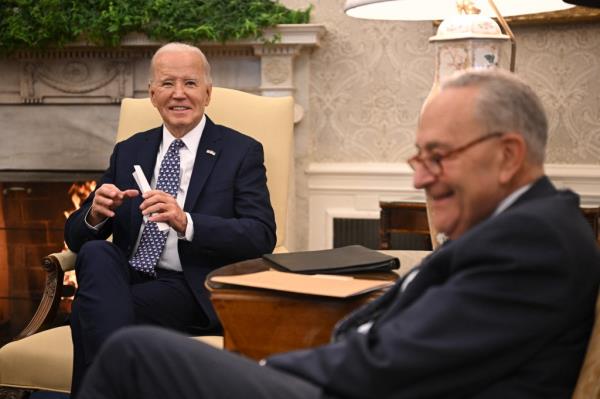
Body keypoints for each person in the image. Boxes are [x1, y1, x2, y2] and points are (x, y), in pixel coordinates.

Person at [78, 69, 600, 399]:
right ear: (151, 93)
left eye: (436, 157)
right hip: (334, 369)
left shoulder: (534, 242)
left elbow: (394, 364)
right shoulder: (517, 227)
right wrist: (97, 216)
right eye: (418, 158)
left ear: (508, 155)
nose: (419, 178)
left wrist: (263, 366)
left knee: (136, 355)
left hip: (332, 381)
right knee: (103, 275)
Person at [65, 42, 276, 396]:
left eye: (190, 84)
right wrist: (95, 216)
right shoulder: (130, 149)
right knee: (95, 254)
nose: (179, 94)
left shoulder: (241, 151)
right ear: (152, 94)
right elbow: (75, 238)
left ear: (208, 93)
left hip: (187, 285)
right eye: (167, 84)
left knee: (90, 311)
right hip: (127, 274)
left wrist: (186, 222)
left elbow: (261, 234)